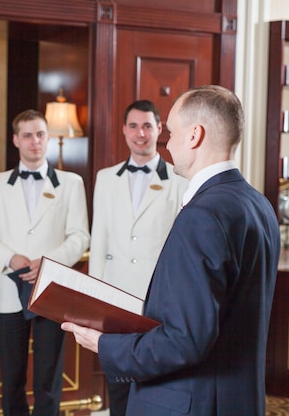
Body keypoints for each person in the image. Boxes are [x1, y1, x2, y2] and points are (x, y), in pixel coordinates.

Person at [63, 85, 281, 416]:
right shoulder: (258, 204)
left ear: (194, 135)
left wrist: (103, 344)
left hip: (192, 402)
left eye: (171, 130)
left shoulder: (202, 215)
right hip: (238, 398)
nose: (166, 142)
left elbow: (185, 341)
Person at [0, 109, 90, 416]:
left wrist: (50, 262)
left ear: (48, 139)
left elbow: (80, 235)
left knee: (48, 379)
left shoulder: (71, 183)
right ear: (16, 140)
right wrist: (9, 258)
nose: (35, 141)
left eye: (40, 134)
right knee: (11, 378)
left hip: (52, 290)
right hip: (7, 292)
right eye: (27, 135)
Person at [89, 100, 187, 416]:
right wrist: (94, 295)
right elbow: (98, 237)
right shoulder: (105, 178)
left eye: (147, 126)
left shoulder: (179, 178)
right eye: (133, 126)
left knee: (155, 384)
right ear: (124, 130)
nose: (140, 133)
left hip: (157, 299)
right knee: (118, 384)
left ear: (159, 130)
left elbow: (179, 245)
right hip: (114, 299)